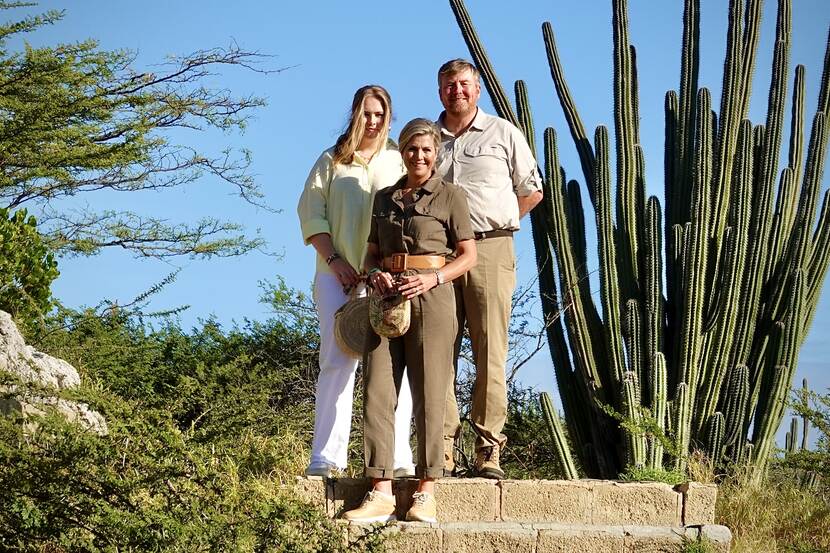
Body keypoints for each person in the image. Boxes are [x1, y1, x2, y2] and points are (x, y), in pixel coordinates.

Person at [342, 118, 477, 523]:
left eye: (426, 150)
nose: (419, 156)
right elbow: (369, 252)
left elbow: (468, 255)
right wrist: (373, 272)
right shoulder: (384, 198)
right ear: (402, 152)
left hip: (433, 297)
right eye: (412, 149)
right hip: (385, 298)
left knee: (431, 392)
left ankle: (426, 490)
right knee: (378, 390)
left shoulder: (451, 196)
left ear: (436, 153)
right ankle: (380, 490)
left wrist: (434, 277)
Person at [297, 85, 415, 479]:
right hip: (336, 277)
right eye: (367, 112)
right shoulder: (331, 160)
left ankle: (396, 459)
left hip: (388, 279)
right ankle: (326, 459)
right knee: (337, 361)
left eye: (380, 114)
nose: (373, 120)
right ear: (354, 114)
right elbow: (313, 215)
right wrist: (337, 263)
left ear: (389, 117)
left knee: (393, 369)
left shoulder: (399, 161)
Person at [435, 59, 543, 479]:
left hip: (492, 247)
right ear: (439, 90)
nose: (457, 91)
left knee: (490, 349)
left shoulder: (503, 133)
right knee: (438, 350)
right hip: (438, 256)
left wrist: (504, 219)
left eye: (464, 84)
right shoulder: (429, 138)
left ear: (477, 90)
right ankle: (440, 448)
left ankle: (487, 450)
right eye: (449, 84)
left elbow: (532, 190)